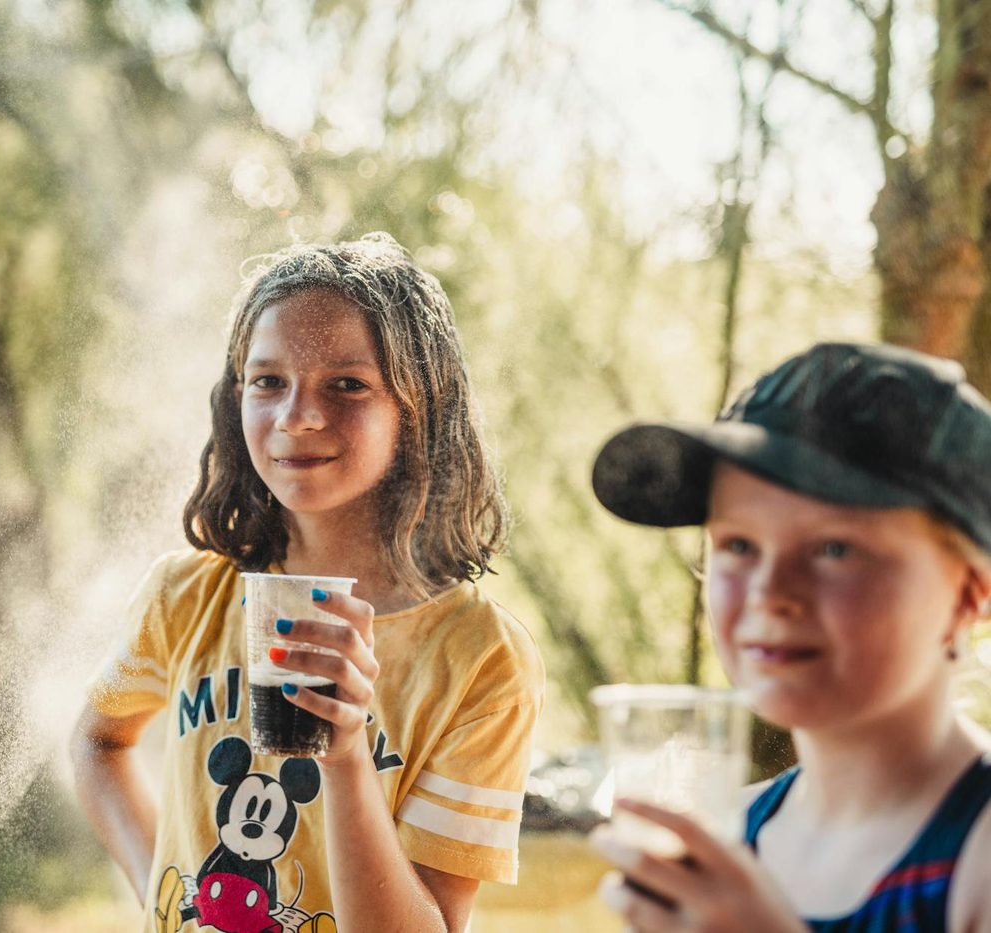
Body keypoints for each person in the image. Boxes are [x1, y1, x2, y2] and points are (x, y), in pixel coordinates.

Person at [70, 233, 545, 932]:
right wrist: (160, 890)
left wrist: (347, 758)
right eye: (268, 381)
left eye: (347, 384)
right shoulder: (184, 597)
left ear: (419, 411)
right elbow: (97, 743)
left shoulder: (481, 659)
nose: (296, 416)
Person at [588, 341, 991, 932]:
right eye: (738, 544)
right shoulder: (729, 839)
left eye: (835, 548)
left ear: (969, 595)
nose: (769, 591)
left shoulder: (976, 852)